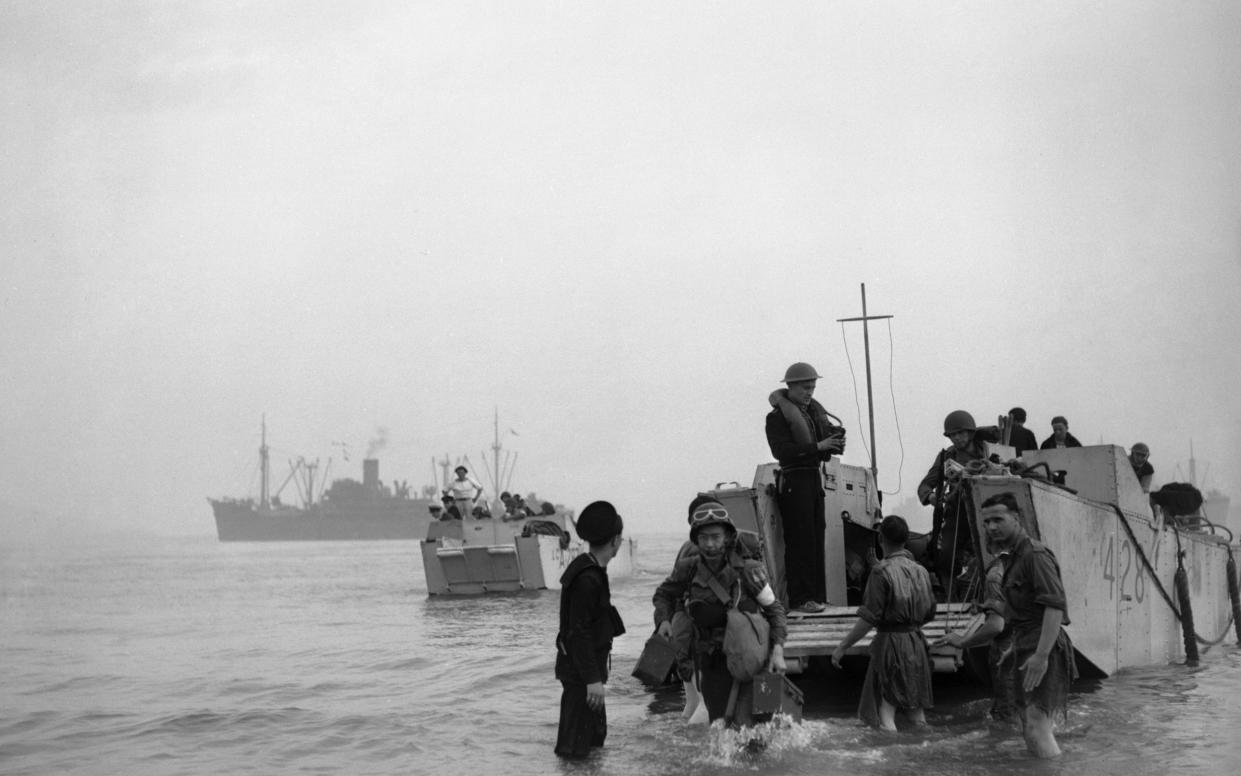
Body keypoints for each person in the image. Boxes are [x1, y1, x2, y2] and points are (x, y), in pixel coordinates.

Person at [940, 492, 1076, 758]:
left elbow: (1055, 606)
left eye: (998, 520)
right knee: (1027, 723)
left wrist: (1041, 655)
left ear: (1016, 518)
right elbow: (1013, 615)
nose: (991, 527)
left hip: (1040, 645)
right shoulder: (1013, 558)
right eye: (986, 522)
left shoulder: (1034, 555)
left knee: (1037, 725)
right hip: (1024, 644)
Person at [652, 501, 788, 725]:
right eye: (703, 538)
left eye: (715, 537)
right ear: (696, 539)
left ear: (727, 537)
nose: (710, 544)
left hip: (758, 660)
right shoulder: (688, 569)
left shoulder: (750, 571)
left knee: (762, 730)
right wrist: (664, 621)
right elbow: (663, 595)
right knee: (721, 728)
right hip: (714, 662)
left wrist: (778, 652)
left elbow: (775, 611)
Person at [830, 515, 935, 731]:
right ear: (906, 540)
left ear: (880, 539)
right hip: (917, 644)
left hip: (891, 645)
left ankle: (890, 761)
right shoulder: (921, 572)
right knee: (917, 711)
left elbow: (869, 619)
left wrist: (843, 646)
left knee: (884, 712)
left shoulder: (880, 572)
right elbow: (929, 612)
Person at [764, 361, 846, 613]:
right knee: (799, 541)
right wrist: (817, 447)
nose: (809, 392)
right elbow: (781, 451)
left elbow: (820, 453)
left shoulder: (811, 414)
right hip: (793, 482)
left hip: (812, 481)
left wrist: (832, 443)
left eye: (812, 387)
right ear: (790, 387)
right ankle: (800, 599)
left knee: (815, 539)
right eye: (804, 388)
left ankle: (817, 597)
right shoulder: (776, 418)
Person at [554, 500, 627, 759]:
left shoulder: (590, 568)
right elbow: (579, 632)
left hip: (585, 673)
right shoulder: (588, 578)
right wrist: (592, 681)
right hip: (582, 678)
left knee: (594, 743)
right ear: (616, 540)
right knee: (574, 749)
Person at [916, 410, 996, 591]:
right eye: (953, 435)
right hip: (958, 511)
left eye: (961, 433)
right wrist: (931, 496)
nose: (957, 438)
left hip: (988, 510)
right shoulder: (947, 456)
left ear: (970, 432)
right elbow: (925, 485)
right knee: (944, 556)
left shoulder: (989, 453)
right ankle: (952, 599)